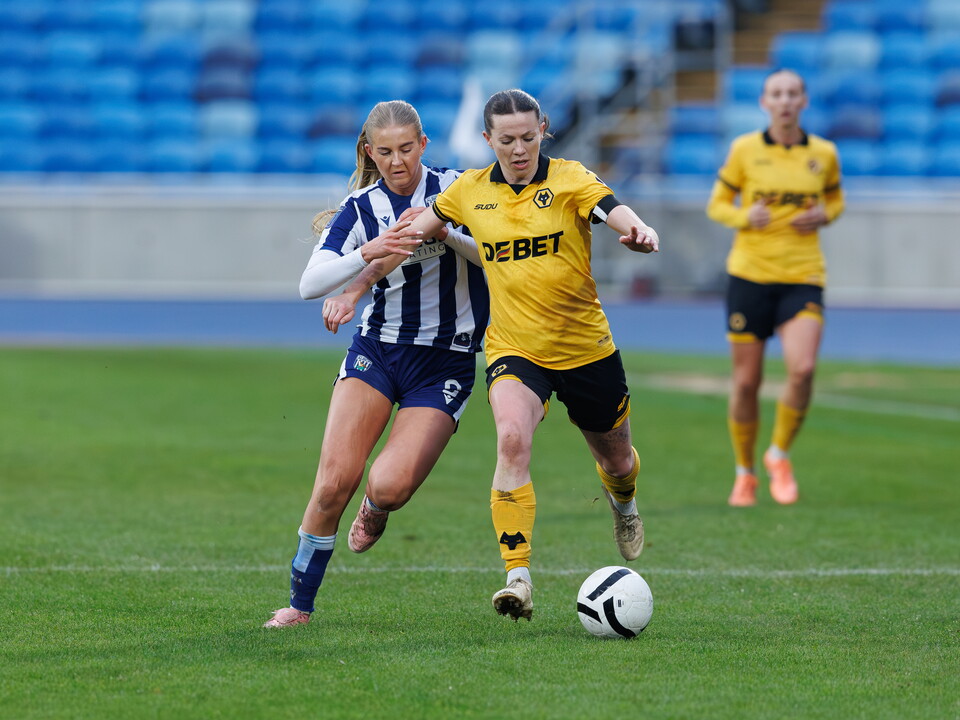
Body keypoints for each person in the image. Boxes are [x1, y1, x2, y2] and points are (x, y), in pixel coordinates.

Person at [333, 89, 660, 622]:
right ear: (488, 139)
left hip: (585, 349)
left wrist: (639, 230)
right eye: (506, 140)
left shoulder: (571, 179)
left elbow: (613, 209)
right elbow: (406, 240)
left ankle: (624, 505)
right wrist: (353, 289)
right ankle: (517, 579)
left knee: (617, 461)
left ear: (543, 131)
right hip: (513, 348)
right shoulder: (468, 191)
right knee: (511, 440)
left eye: (528, 137)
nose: (518, 149)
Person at [264, 100, 489, 628]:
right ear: (369, 152)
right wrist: (366, 255)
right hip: (379, 351)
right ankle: (299, 606)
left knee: (388, 485)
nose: (397, 161)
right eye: (385, 152)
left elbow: (496, 254)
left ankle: (377, 508)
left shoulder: (459, 188)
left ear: (424, 145)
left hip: (446, 362)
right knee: (332, 483)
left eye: (407, 149)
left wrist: (444, 232)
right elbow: (309, 284)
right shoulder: (361, 209)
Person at [706, 69, 845, 507]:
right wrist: (745, 217)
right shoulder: (745, 149)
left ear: (804, 101)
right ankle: (744, 472)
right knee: (747, 383)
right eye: (777, 94)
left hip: (803, 276)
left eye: (792, 94)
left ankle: (779, 455)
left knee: (802, 370)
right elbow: (717, 205)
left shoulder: (824, 153)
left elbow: (836, 199)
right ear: (765, 102)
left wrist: (824, 215)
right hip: (749, 275)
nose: (785, 101)